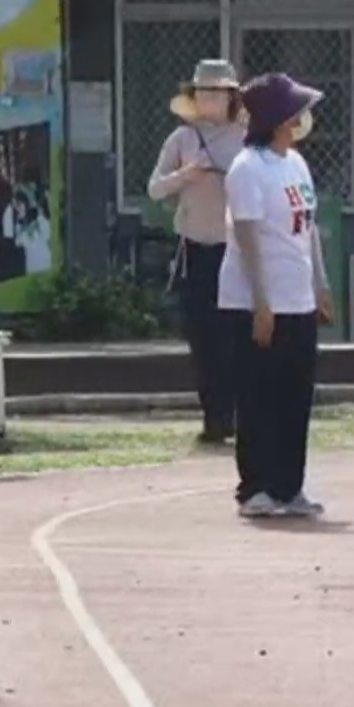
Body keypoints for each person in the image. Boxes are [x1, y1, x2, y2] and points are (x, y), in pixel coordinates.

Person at [222, 73, 334, 519]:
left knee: (295, 395)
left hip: (298, 298)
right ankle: (255, 488)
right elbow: (247, 236)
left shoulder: (296, 164)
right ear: (277, 119)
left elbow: (309, 229)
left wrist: (320, 284)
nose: (301, 119)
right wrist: (261, 304)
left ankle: (290, 486)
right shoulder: (247, 168)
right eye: (294, 112)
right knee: (258, 396)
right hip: (256, 301)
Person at [146, 59, 247, 445]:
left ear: (231, 97)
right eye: (203, 92)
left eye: (217, 93)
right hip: (195, 250)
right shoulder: (182, 139)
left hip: (237, 250)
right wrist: (185, 175)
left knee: (236, 336)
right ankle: (214, 418)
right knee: (203, 338)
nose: (209, 99)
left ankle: (238, 414)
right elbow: (155, 188)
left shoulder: (246, 137)